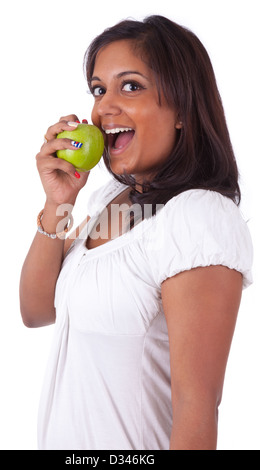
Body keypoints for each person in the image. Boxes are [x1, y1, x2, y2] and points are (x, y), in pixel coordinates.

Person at [19, 15, 253, 450]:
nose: (104, 106)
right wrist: (58, 204)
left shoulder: (197, 219)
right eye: (98, 89)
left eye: (130, 85)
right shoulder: (114, 203)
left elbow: (197, 404)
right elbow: (37, 310)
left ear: (182, 109)